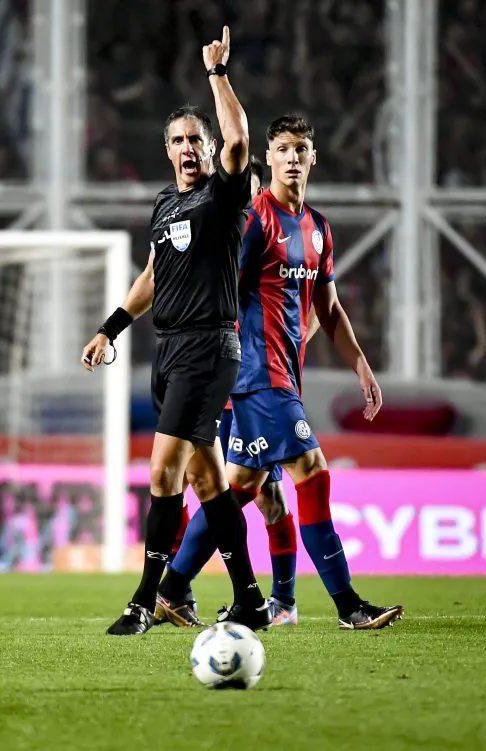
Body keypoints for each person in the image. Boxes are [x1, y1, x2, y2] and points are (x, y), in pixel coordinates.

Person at [160, 114, 403, 630]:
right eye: (284, 149)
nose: (293, 158)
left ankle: (173, 587)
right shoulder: (254, 221)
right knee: (311, 474)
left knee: (241, 488)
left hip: (282, 377)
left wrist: (359, 362)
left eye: (302, 150)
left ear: (314, 158)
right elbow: (223, 289)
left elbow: (328, 308)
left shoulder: (318, 229)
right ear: (267, 158)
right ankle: (349, 606)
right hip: (255, 376)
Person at [82, 26, 269, 636]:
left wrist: (217, 74)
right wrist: (111, 327)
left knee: (162, 472)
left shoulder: (223, 195)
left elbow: (241, 138)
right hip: (168, 351)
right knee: (204, 476)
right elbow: (152, 276)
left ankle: (145, 599)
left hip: (209, 348)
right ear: (167, 151)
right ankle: (249, 598)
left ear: (209, 148)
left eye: (197, 139)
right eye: (179, 140)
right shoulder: (164, 205)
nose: (189, 147)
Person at [160, 155, 314, 628]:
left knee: (255, 492)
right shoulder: (227, 246)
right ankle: (197, 590)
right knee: (233, 488)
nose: (248, 207)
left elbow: (297, 309)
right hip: (230, 384)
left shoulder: (260, 238)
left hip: (252, 385)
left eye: (250, 198)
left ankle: (188, 588)